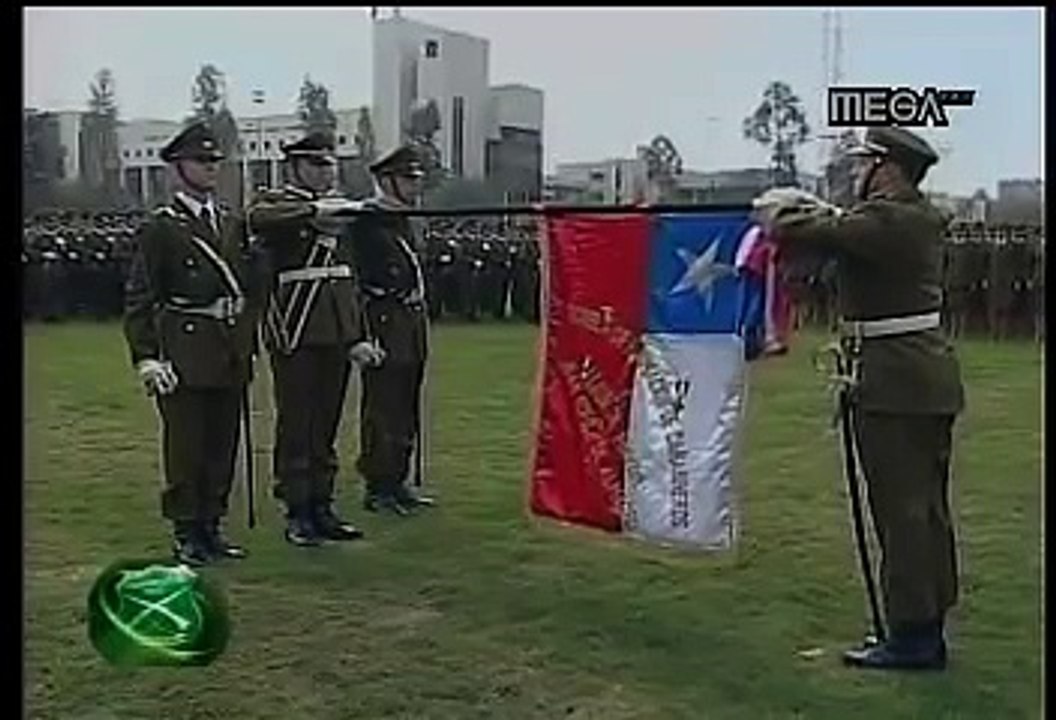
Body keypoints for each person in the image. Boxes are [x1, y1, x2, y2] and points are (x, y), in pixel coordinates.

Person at [754, 126, 965, 671]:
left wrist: (779, 207)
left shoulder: (889, 220)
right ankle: (926, 621)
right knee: (925, 510)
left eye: (862, 163)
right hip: (916, 379)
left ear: (886, 168)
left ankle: (914, 636)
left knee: (903, 514)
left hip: (897, 384)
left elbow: (809, 227)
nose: (855, 172)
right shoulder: (909, 217)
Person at [123, 122, 267, 566]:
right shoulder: (162, 228)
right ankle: (187, 530)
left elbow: (251, 287)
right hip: (185, 348)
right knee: (187, 446)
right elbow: (141, 295)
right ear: (177, 168)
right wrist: (147, 357)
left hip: (228, 348)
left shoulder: (231, 221)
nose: (210, 168)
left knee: (223, 443)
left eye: (214, 161)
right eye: (201, 161)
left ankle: (212, 525)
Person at [246, 131, 383, 547]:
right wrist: (312, 210)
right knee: (298, 422)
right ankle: (297, 507)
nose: (326, 172)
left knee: (326, 422)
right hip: (296, 327)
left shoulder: (340, 210)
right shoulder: (277, 203)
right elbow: (258, 218)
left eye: (330, 165)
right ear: (295, 167)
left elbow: (349, 279)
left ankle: (322, 503)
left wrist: (357, 334)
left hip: (334, 330)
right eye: (317, 165)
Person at [350, 144, 436, 516]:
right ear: (387, 182)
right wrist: (361, 333)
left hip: (410, 320)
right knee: (383, 405)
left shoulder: (403, 220)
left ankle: (398, 480)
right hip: (383, 318)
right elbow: (356, 280)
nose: (416, 186)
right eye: (408, 179)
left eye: (416, 178)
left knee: (406, 403)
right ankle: (378, 485)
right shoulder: (367, 221)